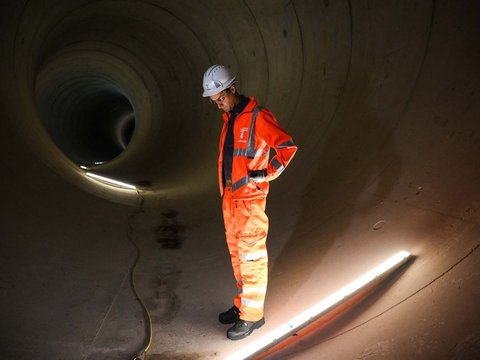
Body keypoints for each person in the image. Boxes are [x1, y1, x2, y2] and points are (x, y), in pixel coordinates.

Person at [202, 64, 298, 340]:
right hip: (230, 199)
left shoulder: (259, 117)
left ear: (232, 88)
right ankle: (242, 304)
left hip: (250, 201)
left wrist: (265, 174)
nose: (218, 104)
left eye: (220, 98)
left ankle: (253, 317)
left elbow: (287, 147)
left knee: (251, 257)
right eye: (214, 101)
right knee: (237, 256)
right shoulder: (230, 119)